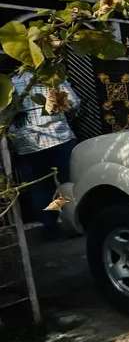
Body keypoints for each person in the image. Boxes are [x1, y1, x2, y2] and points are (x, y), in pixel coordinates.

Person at [8, 71, 79, 233]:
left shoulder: (8, 84)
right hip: (59, 137)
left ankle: (50, 226)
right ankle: (72, 221)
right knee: (67, 182)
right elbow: (72, 103)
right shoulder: (50, 77)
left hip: (27, 145)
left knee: (40, 188)